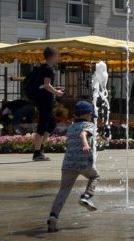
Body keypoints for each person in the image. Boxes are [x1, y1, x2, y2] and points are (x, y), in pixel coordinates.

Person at [47, 100, 99, 231]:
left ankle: (53, 216)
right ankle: (86, 197)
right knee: (95, 177)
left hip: (68, 163)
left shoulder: (71, 127)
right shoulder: (89, 125)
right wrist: (86, 145)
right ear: (88, 114)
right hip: (82, 161)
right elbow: (83, 135)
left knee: (63, 191)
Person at [27, 47, 64, 162]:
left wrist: (54, 89)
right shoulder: (48, 69)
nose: (58, 58)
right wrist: (57, 92)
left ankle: (40, 149)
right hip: (44, 101)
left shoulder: (43, 68)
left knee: (51, 124)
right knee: (42, 126)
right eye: (57, 56)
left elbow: (43, 86)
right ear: (52, 56)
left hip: (42, 100)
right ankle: (37, 152)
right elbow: (47, 85)